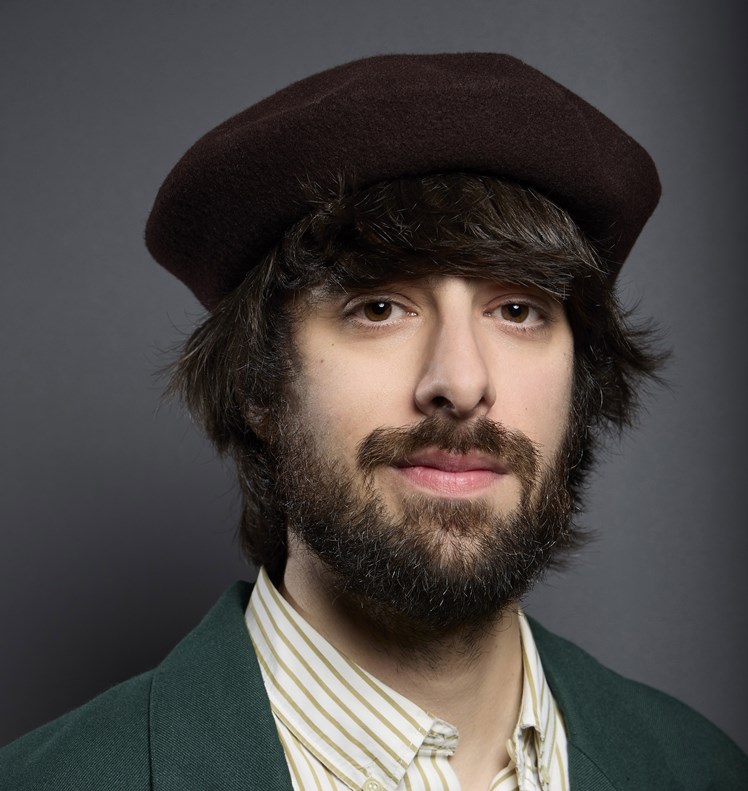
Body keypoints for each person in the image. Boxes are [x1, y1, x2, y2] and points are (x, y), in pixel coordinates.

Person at [2, 53, 746, 790]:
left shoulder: (699, 769)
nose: (461, 382)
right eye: (380, 308)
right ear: (258, 382)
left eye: (518, 310)